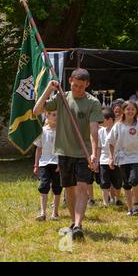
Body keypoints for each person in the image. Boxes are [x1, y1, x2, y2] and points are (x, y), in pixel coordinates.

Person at [33, 68, 104, 240]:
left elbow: (93, 132)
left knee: (81, 188)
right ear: (70, 80)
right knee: (69, 189)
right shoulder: (62, 98)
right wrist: (49, 89)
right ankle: (73, 221)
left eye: (82, 86)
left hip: (83, 152)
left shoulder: (93, 103)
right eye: (75, 85)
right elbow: (37, 110)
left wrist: (93, 154)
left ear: (87, 85)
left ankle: (78, 225)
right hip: (64, 152)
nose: (78, 89)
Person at [108, 100, 138, 216]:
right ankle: (130, 208)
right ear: (123, 111)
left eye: (133, 109)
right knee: (126, 184)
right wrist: (111, 158)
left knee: (134, 180)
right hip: (122, 158)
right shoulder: (118, 125)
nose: (130, 111)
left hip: (136, 157)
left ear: (136, 111)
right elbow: (110, 142)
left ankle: (137, 204)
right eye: (128, 109)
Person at [33, 111, 62, 221]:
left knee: (57, 187)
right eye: (54, 115)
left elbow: (64, 149)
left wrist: (61, 163)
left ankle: (55, 213)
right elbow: (39, 148)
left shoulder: (61, 132)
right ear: (47, 116)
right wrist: (36, 165)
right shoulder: (42, 131)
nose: (56, 117)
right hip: (44, 163)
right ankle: (43, 213)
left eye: (57, 114)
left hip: (57, 163)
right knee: (44, 186)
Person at [97, 107, 123, 206]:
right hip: (104, 160)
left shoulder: (118, 129)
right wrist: (97, 161)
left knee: (117, 181)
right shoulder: (101, 131)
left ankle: (117, 199)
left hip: (116, 159)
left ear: (110, 119)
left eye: (103, 119)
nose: (100, 122)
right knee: (104, 182)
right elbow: (99, 147)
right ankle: (105, 203)